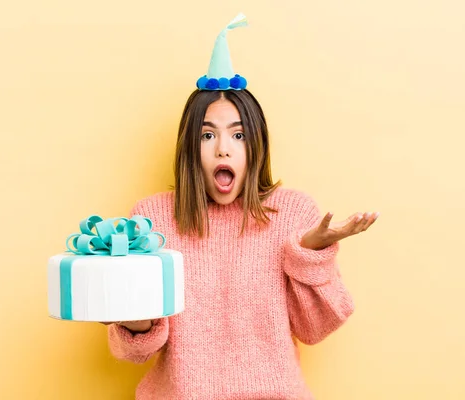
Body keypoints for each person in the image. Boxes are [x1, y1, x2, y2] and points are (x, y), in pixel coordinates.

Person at [104, 13, 378, 399]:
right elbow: (136, 350)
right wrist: (130, 313)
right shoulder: (152, 220)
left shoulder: (293, 214)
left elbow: (316, 328)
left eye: (238, 134)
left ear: (255, 145)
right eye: (207, 135)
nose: (223, 148)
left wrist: (309, 253)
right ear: (189, 147)